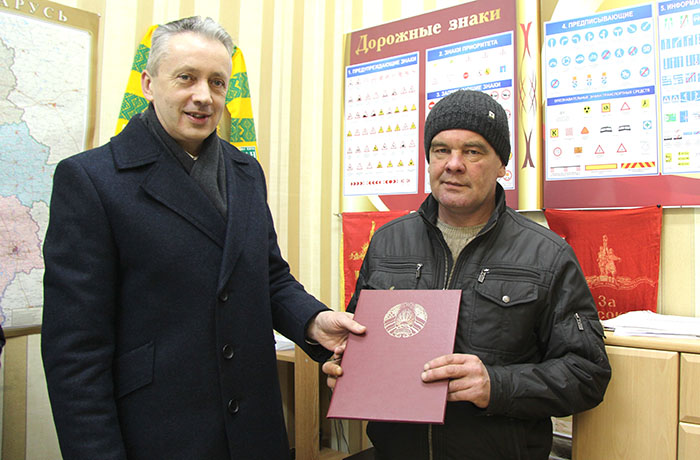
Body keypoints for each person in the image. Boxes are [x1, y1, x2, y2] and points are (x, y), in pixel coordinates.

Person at [42, 16, 363, 460]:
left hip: (254, 428)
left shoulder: (246, 172)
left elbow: (268, 276)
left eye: (217, 82)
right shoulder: (92, 179)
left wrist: (313, 321)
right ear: (149, 84)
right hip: (160, 433)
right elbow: (75, 351)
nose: (203, 96)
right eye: (186, 78)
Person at [323, 90, 611, 459]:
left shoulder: (547, 254)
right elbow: (358, 342)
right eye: (441, 150)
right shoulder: (387, 243)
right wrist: (345, 366)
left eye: (472, 152)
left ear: (502, 165)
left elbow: (587, 373)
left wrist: (497, 385)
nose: (453, 164)